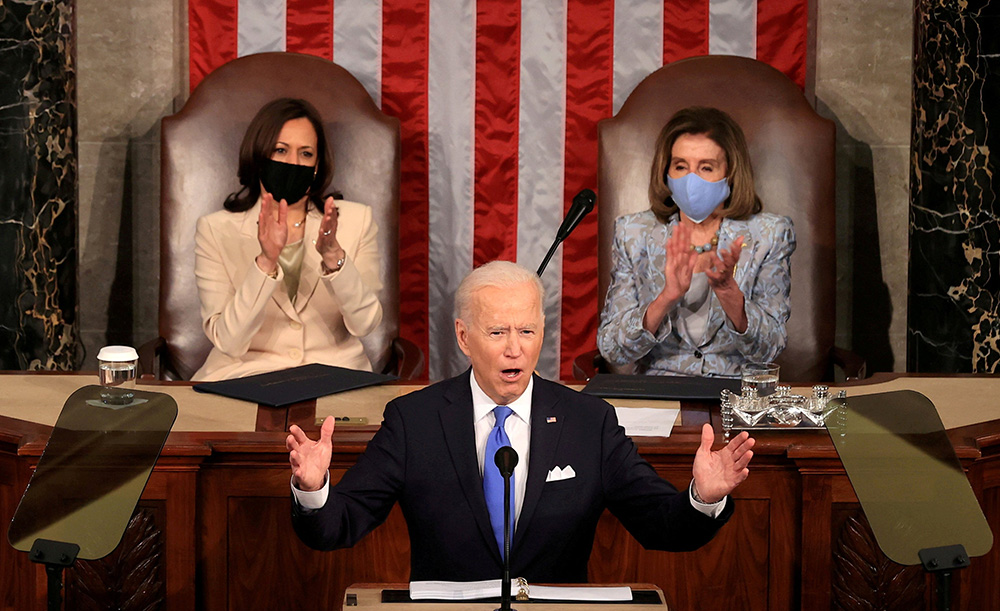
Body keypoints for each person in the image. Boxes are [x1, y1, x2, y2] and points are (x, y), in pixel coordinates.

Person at [287, 261, 754, 583]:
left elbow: (662, 526)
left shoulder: (588, 422)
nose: (515, 349)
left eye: (527, 331)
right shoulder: (415, 420)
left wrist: (702, 499)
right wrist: (313, 489)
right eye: (497, 332)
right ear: (464, 337)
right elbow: (338, 526)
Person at [192, 98, 383, 381]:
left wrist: (333, 257)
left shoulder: (357, 221)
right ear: (258, 156)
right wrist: (265, 262)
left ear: (317, 165)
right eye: (280, 150)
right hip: (243, 378)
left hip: (334, 378)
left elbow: (365, 324)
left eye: (306, 154)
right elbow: (229, 342)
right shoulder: (215, 229)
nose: (293, 163)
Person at [597, 106, 795, 377]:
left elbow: (771, 348)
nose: (691, 180)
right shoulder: (634, 233)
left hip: (736, 396)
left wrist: (730, 297)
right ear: (666, 171)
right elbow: (612, 349)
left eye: (706, 167)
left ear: (731, 173)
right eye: (680, 166)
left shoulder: (769, 235)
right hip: (661, 395)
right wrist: (665, 299)